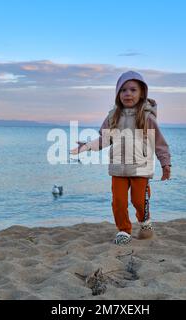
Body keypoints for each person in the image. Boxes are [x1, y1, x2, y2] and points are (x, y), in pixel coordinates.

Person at [70, 71, 172, 245]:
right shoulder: (113, 116)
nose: (128, 93)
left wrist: (165, 163)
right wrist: (86, 146)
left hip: (141, 168)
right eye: (123, 90)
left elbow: (159, 143)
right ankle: (124, 229)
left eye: (133, 90)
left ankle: (145, 221)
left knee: (139, 201)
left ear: (141, 93)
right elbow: (105, 139)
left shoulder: (146, 117)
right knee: (118, 202)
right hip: (118, 167)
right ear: (118, 94)